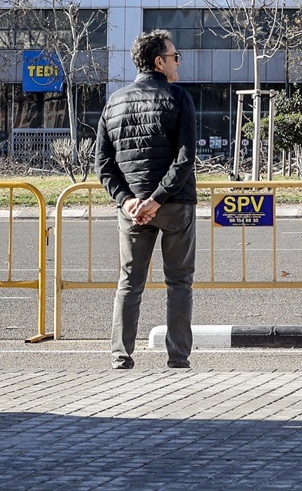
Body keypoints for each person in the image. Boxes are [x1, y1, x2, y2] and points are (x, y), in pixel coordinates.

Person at [93, 29, 197, 370]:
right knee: (178, 281)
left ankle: (120, 355)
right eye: (174, 57)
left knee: (129, 282)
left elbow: (103, 165)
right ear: (158, 62)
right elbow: (185, 157)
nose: (177, 62)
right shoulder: (179, 98)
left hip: (133, 209)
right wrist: (159, 197)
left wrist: (127, 201)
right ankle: (177, 357)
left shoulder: (115, 101)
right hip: (175, 202)